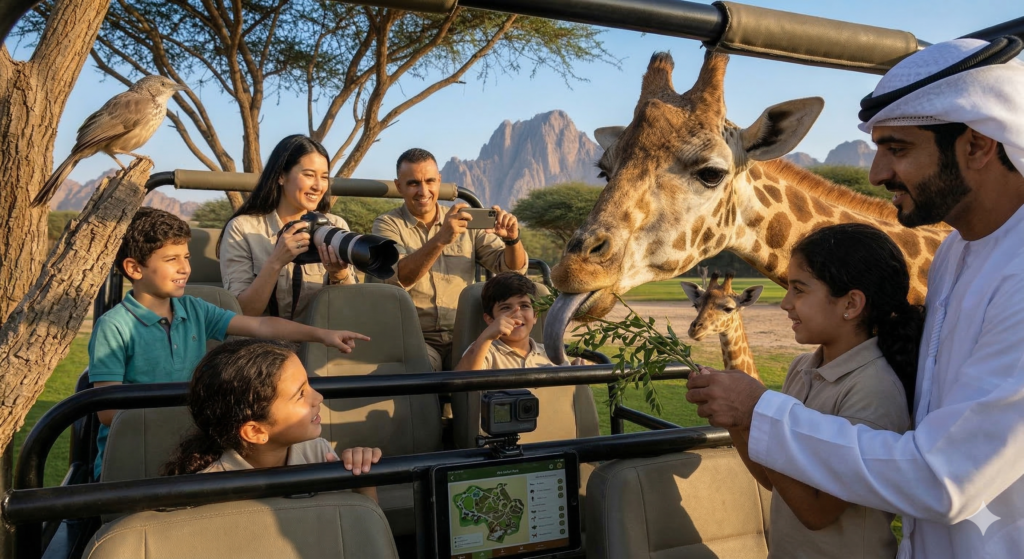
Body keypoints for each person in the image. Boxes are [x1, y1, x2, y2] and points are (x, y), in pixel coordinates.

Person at [685, 37, 1024, 558]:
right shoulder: (957, 251)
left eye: (898, 149)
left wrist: (761, 411)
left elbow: (945, 478)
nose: (877, 174)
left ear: (976, 146)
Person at [89, 208, 369, 479]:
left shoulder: (195, 309)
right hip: (134, 456)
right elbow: (107, 411)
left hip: (191, 449)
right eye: (171, 259)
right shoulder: (114, 326)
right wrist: (193, 413)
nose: (185, 268)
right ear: (134, 268)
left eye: (186, 256)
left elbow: (260, 325)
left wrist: (321, 334)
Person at [716, 224, 918, 558]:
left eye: (799, 290)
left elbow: (818, 512)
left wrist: (757, 412)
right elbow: (773, 480)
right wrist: (737, 421)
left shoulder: (874, 388)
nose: (785, 303)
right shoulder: (803, 368)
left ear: (850, 304)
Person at [161, 339, 382, 502]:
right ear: (255, 431)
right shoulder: (208, 492)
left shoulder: (317, 452)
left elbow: (349, 530)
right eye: (300, 394)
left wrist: (363, 483)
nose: (319, 397)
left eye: (308, 385)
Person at [373, 148, 528, 371]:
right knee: (421, 374)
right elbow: (400, 277)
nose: (423, 191)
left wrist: (513, 240)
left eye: (430, 181)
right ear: (399, 186)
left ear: (439, 181)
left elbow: (511, 271)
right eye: (413, 183)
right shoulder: (387, 224)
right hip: (416, 338)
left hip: (466, 334)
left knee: (492, 375)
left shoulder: (465, 221)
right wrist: (442, 238)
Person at [220, 135, 355, 321]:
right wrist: (275, 262)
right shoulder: (242, 229)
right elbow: (243, 314)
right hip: (261, 345)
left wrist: (339, 274)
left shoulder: (336, 226)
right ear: (281, 176)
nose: (318, 186)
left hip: (321, 344)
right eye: (308, 175)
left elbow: (351, 311)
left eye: (324, 177)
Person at [455, 272, 592, 443]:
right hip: (503, 446)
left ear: (535, 316)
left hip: (551, 442)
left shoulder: (551, 353)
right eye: (506, 308)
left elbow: (562, 402)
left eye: (525, 306)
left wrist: (575, 375)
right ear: (490, 319)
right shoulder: (484, 350)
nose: (517, 314)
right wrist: (486, 337)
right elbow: (462, 383)